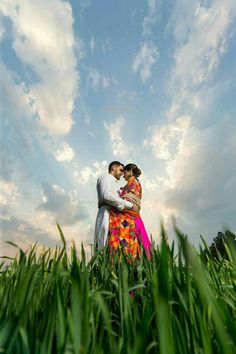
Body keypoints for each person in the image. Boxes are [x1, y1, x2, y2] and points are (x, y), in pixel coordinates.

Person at [108, 163, 152, 260]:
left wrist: (120, 200)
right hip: (134, 214)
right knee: (142, 239)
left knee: (115, 221)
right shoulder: (133, 182)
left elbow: (130, 199)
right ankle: (148, 262)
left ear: (130, 171)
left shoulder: (132, 181)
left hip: (131, 214)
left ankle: (121, 257)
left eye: (125, 172)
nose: (123, 175)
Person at [94, 161, 140, 250]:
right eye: (121, 170)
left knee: (113, 247)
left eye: (123, 171)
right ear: (113, 168)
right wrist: (130, 205)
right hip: (106, 213)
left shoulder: (115, 183)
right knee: (103, 244)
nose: (122, 173)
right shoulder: (107, 177)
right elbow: (105, 195)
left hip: (114, 216)